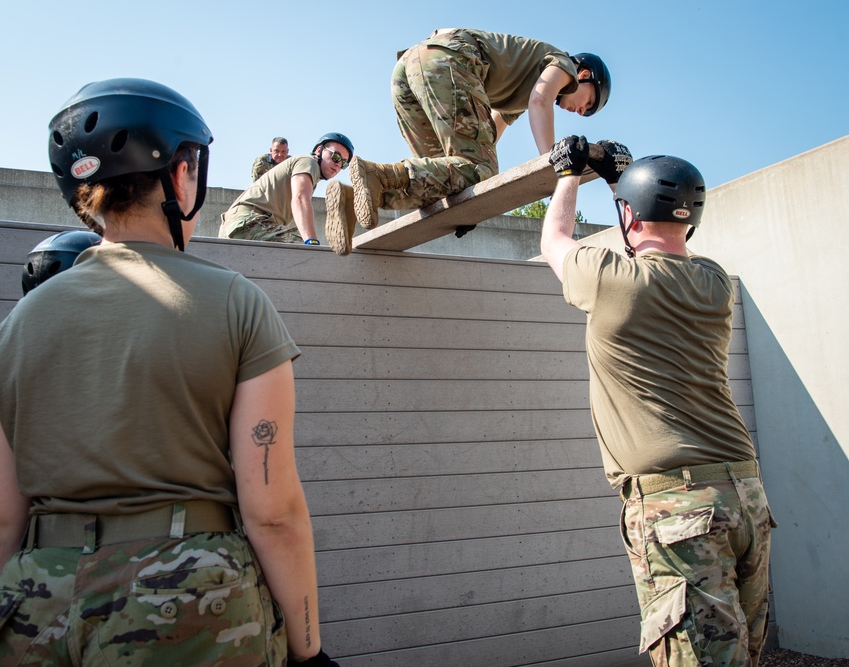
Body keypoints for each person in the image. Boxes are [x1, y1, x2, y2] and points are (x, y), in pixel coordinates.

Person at [0, 78, 338, 666]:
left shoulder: (15, 327)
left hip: (34, 598)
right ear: (180, 173)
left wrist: (20, 615)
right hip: (186, 603)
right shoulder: (237, 303)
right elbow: (272, 512)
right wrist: (309, 649)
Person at [540, 136, 775, 666]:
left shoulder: (610, 282)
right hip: (745, 497)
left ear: (630, 215)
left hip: (678, 508)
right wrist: (617, 184)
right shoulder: (714, 282)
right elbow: (649, 254)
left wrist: (568, 173)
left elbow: (555, 238)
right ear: (691, 219)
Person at [325, 28, 611, 251]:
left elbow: (485, 139)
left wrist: (469, 203)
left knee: (449, 176)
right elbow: (540, 100)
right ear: (584, 74)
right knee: (477, 171)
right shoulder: (563, 64)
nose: (580, 111)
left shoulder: (515, 88)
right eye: (588, 104)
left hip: (410, 67)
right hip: (450, 61)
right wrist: (554, 168)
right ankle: (381, 176)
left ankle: (352, 201)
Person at [219, 132, 353, 246]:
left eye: (344, 163)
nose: (338, 164)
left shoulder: (311, 178)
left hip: (241, 226)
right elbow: (300, 199)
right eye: (335, 156)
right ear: (319, 150)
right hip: (248, 222)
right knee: (309, 255)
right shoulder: (308, 162)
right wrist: (311, 241)